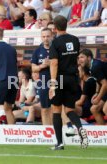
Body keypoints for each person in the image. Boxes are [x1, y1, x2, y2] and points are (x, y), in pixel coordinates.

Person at [49, 15, 88, 150]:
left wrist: (53, 83)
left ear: (54, 28)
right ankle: (80, 129)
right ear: (66, 25)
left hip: (60, 78)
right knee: (70, 110)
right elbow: (76, 60)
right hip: (72, 78)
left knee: (56, 110)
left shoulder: (55, 42)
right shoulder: (75, 40)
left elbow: (54, 63)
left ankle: (59, 143)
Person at [78, 48, 107, 124]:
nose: (80, 60)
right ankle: (104, 132)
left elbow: (105, 84)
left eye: (82, 57)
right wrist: (97, 93)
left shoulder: (95, 66)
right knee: (94, 109)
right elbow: (99, 81)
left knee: (105, 109)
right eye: (79, 58)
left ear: (89, 57)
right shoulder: (91, 66)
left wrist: (98, 98)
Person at [31, 28, 52, 125]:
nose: (46, 38)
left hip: (56, 83)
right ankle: (47, 131)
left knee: (56, 108)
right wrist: (43, 65)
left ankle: (57, 131)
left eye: (48, 36)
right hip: (43, 83)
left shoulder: (56, 49)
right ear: (41, 37)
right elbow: (34, 68)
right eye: (43, 36)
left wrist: (51, 63)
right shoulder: (37, 51)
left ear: (52, 36)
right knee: (44, 109)